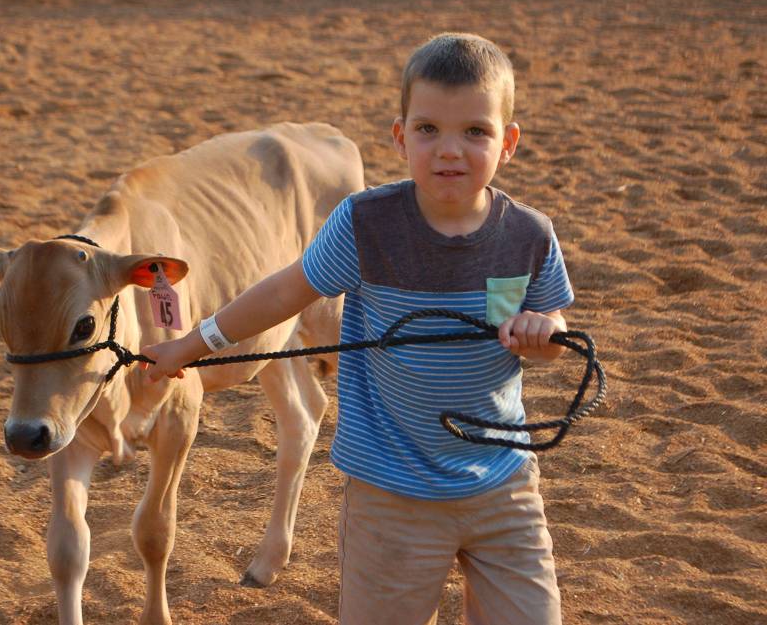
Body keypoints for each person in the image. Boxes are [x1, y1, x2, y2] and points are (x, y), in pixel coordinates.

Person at [143, 33, 574, 625]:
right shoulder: (365, 223)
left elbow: (549, 333)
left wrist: (542, 330)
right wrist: (190, 346)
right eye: (428, 129)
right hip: (391, 499)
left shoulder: (527, 235)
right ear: (400, 137)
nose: (450, 150)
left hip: (503, 488)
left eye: (475, 131)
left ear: (509, 143)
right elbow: (284, 291)